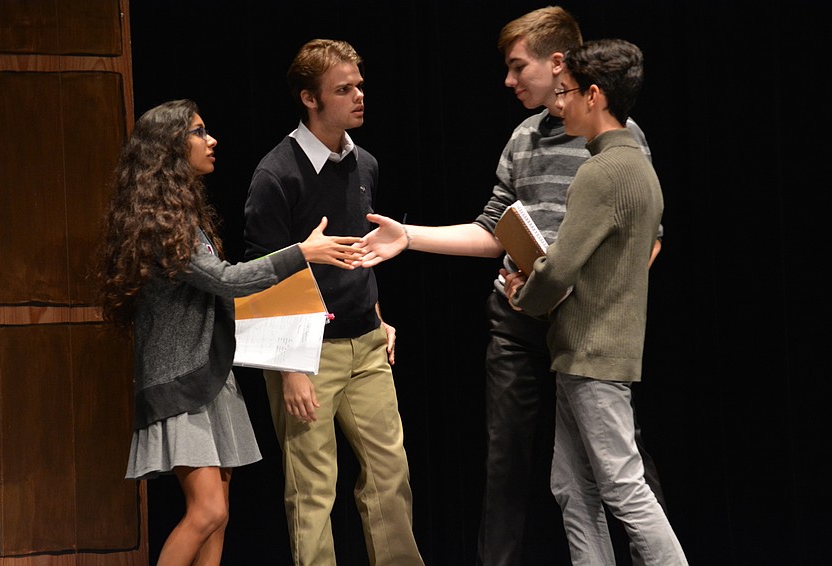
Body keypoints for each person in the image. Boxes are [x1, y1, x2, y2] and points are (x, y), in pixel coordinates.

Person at [356, 6, 665, 566]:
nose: (509, 80)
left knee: (621, 470)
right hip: (520, 319)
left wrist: (593, 297)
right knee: (518, 469)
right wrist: (409, 237)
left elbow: (645, 236)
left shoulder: (615, 142)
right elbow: (492, 230)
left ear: (559, 65)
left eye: (518, 66)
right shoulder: (524, 137)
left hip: (587, 326)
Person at [95, 99, 363, 566]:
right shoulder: (164, 223)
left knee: (219, 517)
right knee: (206, 510)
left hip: (209, 375)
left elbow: (225, 286)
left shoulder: (185, 217)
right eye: (199, 132)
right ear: (170, 149)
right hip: (182, 382)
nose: (212, 140)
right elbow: (226, 279)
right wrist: (302, 252)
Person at [502, 37, 686, 565]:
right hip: (590, 350)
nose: (559, 104)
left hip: (592, 353)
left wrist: (525, 294)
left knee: (624, 489)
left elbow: (560, 266)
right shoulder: (637, 166)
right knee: (572, 486)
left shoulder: (601, 172)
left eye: (567, 93)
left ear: (595, 96)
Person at [242, 39, 425, 566]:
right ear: (309, 99)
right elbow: (262, 277)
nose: (358, 96)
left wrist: (379, 317)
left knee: (391, 474)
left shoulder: (363, 163)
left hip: (366, 345)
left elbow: (360, 250)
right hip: (307, 354)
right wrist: (289, 370)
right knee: (313, 489)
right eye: (343, 90)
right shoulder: (276, 175)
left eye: (359, 85)